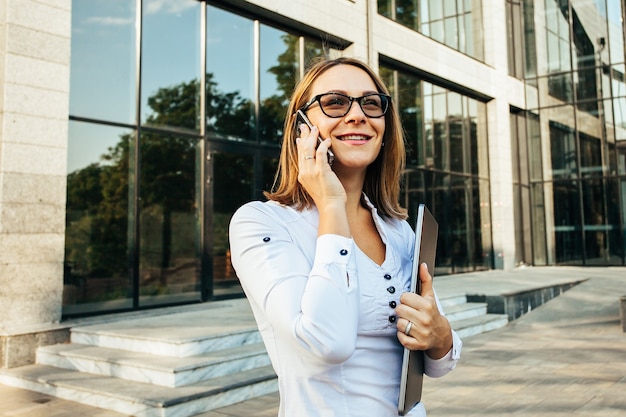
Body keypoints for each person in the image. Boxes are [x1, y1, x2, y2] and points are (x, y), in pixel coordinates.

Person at [229, 57, 462, 417]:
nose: (357, 115)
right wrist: (332, 203)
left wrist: (440, 334)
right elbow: (327, 342)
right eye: (335, 102)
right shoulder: (261, 223)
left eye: (371, 103)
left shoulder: (399, 230)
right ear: (301, 128)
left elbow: (440, 364)